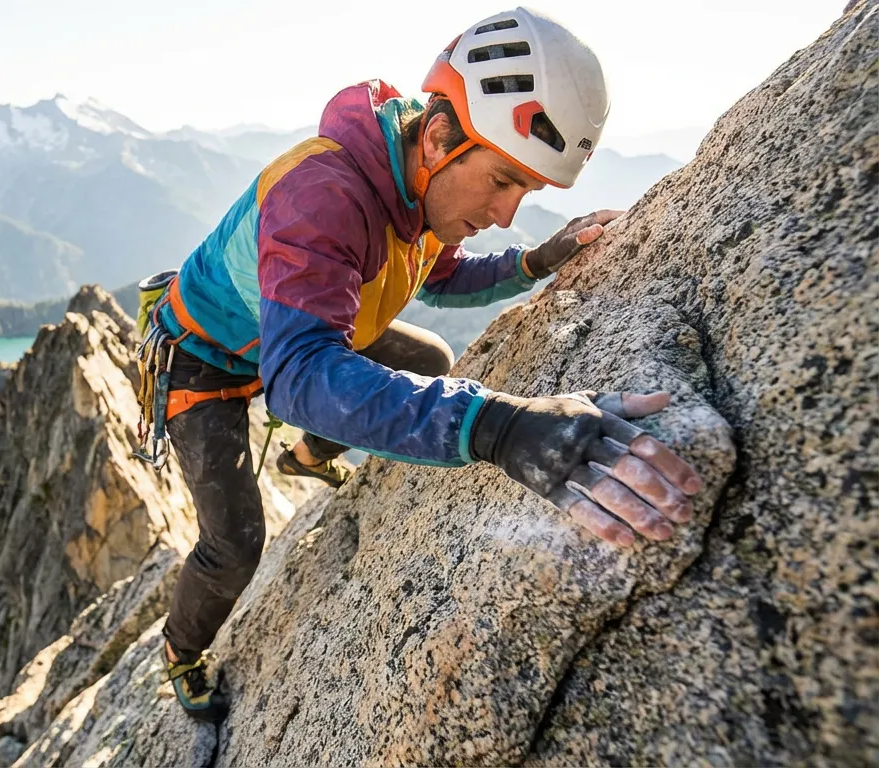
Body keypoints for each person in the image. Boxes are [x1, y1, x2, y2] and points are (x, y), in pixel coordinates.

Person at [138, 7, 704, 722]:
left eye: (523, 193)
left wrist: (533, 261)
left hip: (286, 329)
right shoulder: (320, 196)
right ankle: (181, 651)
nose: (505, 211)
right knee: (234, 543)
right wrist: (498, 426)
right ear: (438, 135)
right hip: (204, 361)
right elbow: (301, 377)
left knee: (428, 354)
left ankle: (307, 459)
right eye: (501, 181)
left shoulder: (415, 188)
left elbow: (436, 273)